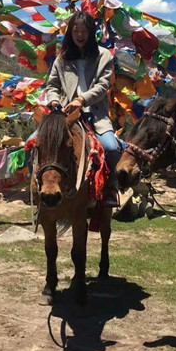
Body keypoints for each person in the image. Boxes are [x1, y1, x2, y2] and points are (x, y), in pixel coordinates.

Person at [39, 11, 121, 205]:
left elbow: (103, 85)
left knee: (111, 147)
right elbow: (52, 85)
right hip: (65, 115)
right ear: (70, 32)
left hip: (95, 115)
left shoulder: (103, 55)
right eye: (75, 30)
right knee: (33, 142)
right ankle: (36, 184)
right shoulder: (62, 58)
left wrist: (82, 99)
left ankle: (111, 189)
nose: (80, 34)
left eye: (84, 30)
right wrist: (54, 101)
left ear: (91, 32)